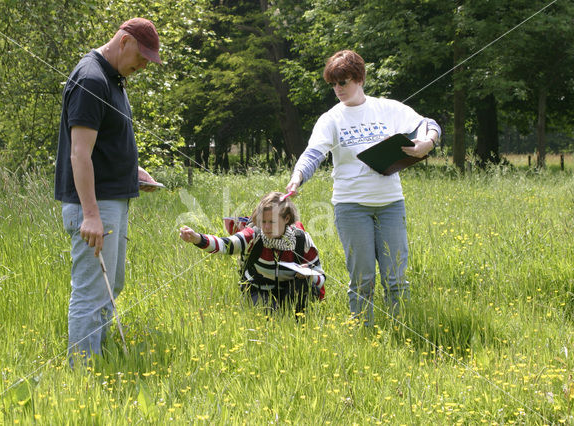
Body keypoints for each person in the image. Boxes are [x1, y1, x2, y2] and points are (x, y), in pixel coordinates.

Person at [286, 50, 441, 327]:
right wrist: (297, 177)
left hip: (391, 204)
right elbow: (313, 154)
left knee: (396, 277)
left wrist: (426, 143)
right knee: (362, 278)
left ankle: (400, 329)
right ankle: (363, 331)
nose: (338, 89)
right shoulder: (331, 119)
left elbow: (428, 124)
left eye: (343, 82)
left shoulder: (388, 109)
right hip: (351, 206)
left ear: (359, 78)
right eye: (333, 84)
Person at [54, 17, 163, 363]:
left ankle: (97, 357)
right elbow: (79, 152)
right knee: (91, 292)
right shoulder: (91, 78)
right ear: (124, 40)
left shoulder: (113, 78)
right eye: (142, 57)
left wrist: (132, 171)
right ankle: (83, 374)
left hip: (111, 200)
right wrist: (90, 214)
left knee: (110, 287)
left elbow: (105, 145)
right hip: (94, 207)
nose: (144, 65)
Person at [179, 192, 325, 316]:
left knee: (295, 309)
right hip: (259, 292)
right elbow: (226, 245)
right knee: (271, 315)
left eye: (272, 222)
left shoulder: (301, 240)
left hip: (291, 292)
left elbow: (321, 278)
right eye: (263, 221)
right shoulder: (253, 235)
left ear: (286, 219)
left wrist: (310, 275)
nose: (266, 227)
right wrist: (197, 238)